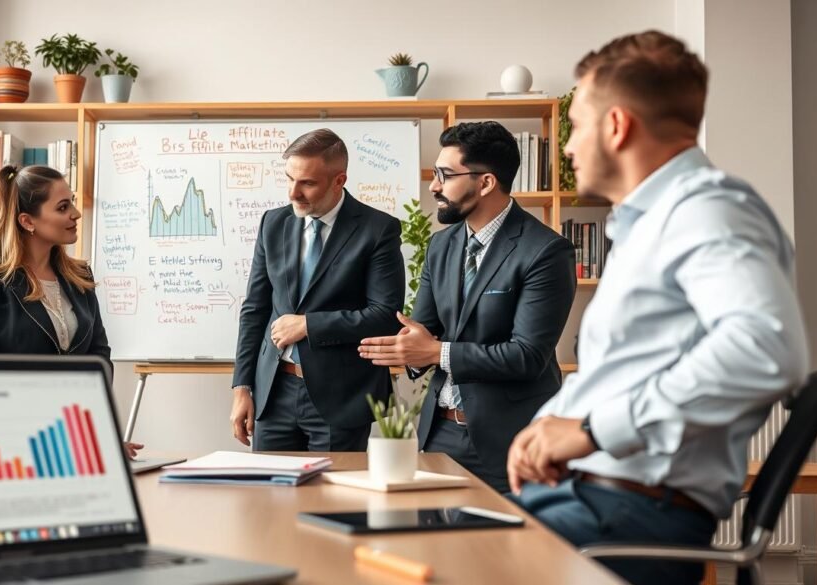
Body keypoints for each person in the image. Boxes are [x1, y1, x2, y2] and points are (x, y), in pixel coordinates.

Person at [505, 31, 810, 585]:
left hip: (626, 516)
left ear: (618, 126)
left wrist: (594, 430)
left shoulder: (709, 209)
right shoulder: (647, 225)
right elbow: (623, 367)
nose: (569, 148)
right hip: (591, 500)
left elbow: (767, 346)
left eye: (576, 126)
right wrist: (545, 426)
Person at [358, 121, 576, 493]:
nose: (434, 186)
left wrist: (435, 352)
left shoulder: (545, 251)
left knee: (503, 550)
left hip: (509, 439)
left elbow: (526, 356)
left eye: (445, 175)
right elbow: (423, 331)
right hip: (438, 432)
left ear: (486, 182)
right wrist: (409, 350)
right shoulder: (440, 246)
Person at [230, 129, 405, 451]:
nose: (293, 193)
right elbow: (254, 308)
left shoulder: (378, 230)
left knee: (332, 501)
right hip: (273, 390)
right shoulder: (273, 223)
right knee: (269, 498)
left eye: (307, 183)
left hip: (341, 398)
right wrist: (242, 386)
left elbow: (385, 317)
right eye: (289, 179)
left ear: (339, 180)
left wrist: (308, 325)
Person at [0, 165, 140, 456]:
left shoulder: (80, 276)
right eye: (63, 207)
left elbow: (99, 358)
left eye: (73, 202)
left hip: (70, 444)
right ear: (28, 221)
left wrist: (97, 434)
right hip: (6, 445)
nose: (76, 214)